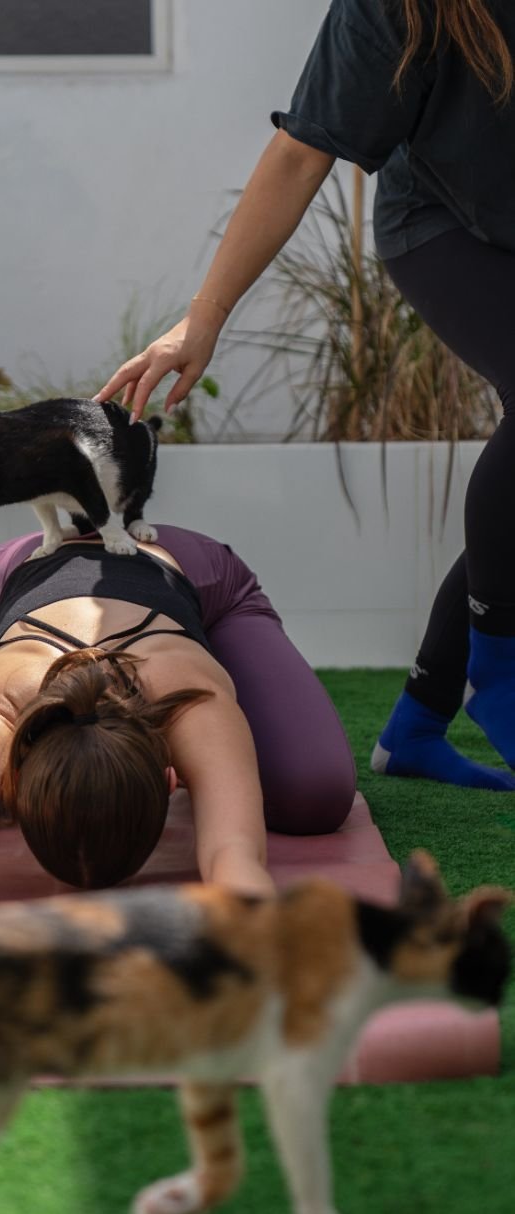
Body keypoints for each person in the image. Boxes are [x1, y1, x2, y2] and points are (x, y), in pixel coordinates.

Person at [95, 0, 515, 794]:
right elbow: (299, 156)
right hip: (442, 229)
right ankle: (501, 672)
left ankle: (419, 724)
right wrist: (203, 318)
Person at [0, 526, 356, 937]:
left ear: (169, 778)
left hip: (196, 577)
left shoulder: (189, 693)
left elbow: (235, 859)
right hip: (11, 580)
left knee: (315, 793)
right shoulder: (1, 699)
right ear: (172, 779)